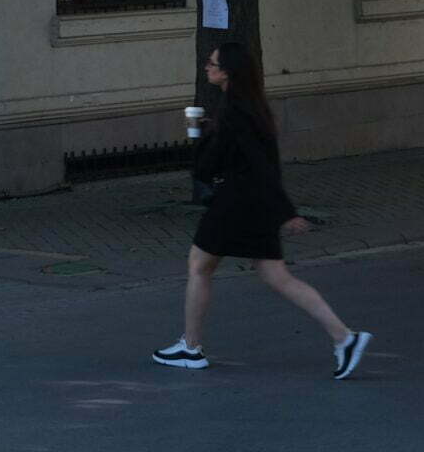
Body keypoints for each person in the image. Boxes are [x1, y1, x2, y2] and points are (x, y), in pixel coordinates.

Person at [153, 40, 372, 378]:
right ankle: (344, 337)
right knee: (274, 275)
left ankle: (191, 348)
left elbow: (227, 165)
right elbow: (265, 163)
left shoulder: (235, 113)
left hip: (235, 204)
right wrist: (283, 210)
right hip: (255, 205)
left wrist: (201, 137)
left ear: (228, 72)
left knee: (199, 265)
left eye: (213, 63)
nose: (207, 67)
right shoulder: (250, 108)